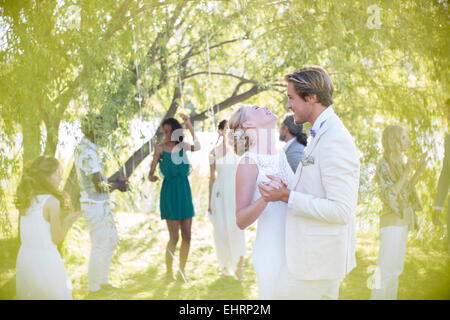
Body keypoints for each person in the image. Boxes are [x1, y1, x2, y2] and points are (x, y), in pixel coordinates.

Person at [258, 65, 360, 300]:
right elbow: (315, 188)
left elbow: (341, 210)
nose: (287, 105)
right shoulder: (320, 133)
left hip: (316, 264)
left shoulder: (335, 139)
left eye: (291, 98)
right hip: (311, 261)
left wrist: (286, 197)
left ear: (311, 98)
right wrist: (286, 186)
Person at [229, 105, 294, 299]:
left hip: (293, 248)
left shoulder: (280, 155)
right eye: (257, 108)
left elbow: (293, 197)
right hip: (271, 252)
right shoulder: (248, 162)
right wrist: (265, 199)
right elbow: (240, 220)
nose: (265, 107)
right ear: (248, 124)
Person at [370, 125, 426, 300]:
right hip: (390, 223)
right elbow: (391, 193)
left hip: (402, 222)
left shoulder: (399, 163)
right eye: (403, 137)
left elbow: (406, 189)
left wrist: (418, 170)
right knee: (384, 271)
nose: (407, 140)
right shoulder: (383, 164)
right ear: (393, 140)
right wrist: (408, 170)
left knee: (395, 272)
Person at [15, 156, 83, 299]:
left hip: (26, 259)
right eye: (57, 173)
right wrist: (67, 222)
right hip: (45, 261)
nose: (60, 178)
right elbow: (56, 239)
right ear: (45, 176)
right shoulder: (51, 202)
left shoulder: (27, 198)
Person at [74, 115, 123, 295]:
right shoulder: (86, 151)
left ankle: (103, 282)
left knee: (111, 240)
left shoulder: (91, 149)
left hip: (100, 203)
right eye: (102, 128)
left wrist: (115, 181)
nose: (105, 132)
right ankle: (94, 288)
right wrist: (118, 185)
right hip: (93, 204)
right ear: (93, 130)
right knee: (100, 245)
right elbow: (98, 185)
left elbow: (100, 181)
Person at [148, 115, 200, 282]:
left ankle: (181, 272)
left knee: (187, 236)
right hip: (170, 193)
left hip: (184, 191)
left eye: (170, 131)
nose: (167, 134)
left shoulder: (182, 146)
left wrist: (189, 125)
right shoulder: (160, 148)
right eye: (165, 131)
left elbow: (197, 146)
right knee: (174, 237)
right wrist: (152, 176)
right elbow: (151, 172)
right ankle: (169, 273)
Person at [208, 119, 246, 280]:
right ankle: (224, 266)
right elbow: (211, 177)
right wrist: (209, 200)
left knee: (237, 228)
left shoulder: (239, 150)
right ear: (220, 131)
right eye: (226, 129)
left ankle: (239, 267)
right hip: (219, 193)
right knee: (221, 229)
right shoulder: (213, 152)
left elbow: (244, 174)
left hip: (235, 192)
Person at [433, 99, 450, 252]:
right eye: (447, 113)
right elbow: (445, 175)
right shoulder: (448, 139)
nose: (448, 116)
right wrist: (438, 206)